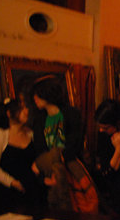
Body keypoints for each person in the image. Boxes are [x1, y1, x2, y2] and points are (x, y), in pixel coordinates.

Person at [30, 76, 86, 211]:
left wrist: (56, 160)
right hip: (49, 172)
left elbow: (74, 144)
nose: (34, 98)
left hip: (70, 170)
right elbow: (40, 150)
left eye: (37, 95)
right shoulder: (39, 119)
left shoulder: (71, 114)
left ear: (47, 94)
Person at [0, 99, 44, 210]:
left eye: (25, 107)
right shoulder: (0, 135)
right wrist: (13, 182)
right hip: (8, 195)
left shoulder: (30, 133)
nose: (26, 111)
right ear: (9, 113)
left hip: (32, 193)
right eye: (21, 109)